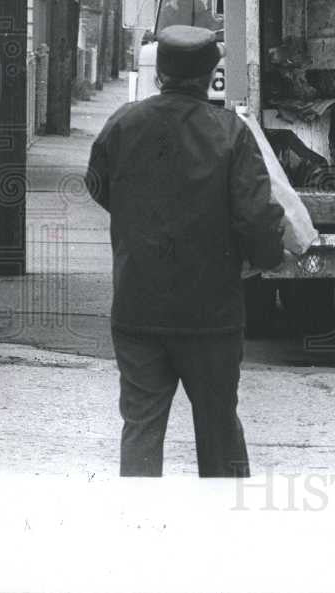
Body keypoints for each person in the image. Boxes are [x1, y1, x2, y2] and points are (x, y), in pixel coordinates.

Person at [86, 25, 286, 476]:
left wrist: (139, 221)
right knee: (219, 429)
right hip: (211, 314)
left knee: (140, 425)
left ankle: (137, 528)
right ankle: (224, 535)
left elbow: (97, 184)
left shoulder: (122, 123)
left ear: (160, 74)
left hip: (138, 305)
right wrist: (268, 258)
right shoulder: (231, 133)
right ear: (209, 74)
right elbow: (256, 217)